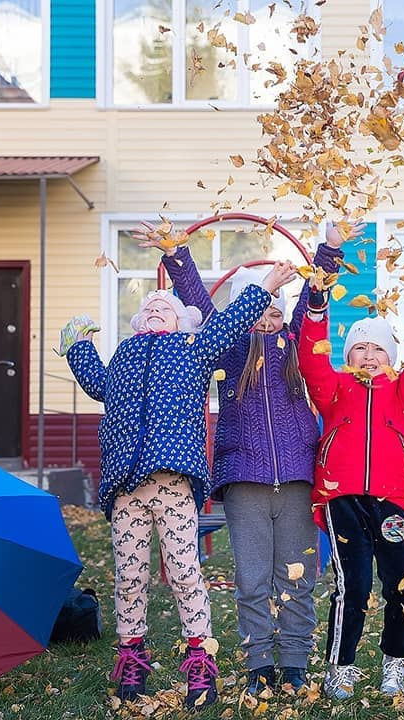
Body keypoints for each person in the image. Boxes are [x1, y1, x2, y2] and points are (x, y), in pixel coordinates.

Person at [59, 260, 298, 709]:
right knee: (129, 576)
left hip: (172, 483)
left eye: (164, 306)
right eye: (148, 305)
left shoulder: (194, 348)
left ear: (182, 321)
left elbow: (228, 324)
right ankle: (131, 656)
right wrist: (78, 345)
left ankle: (200, 661)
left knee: (185, 573)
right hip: (126, 486)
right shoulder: (125, 356)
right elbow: (97, 385)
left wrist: (264, 288)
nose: (154, 306)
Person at [143, 221, 363, 694]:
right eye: (261, 312)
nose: (269, 320)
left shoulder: (297, 346)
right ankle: (259, 661)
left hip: (299, 476)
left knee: (298, 575)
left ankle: (295, 659)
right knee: (253, 578)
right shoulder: (231, 345)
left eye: (275, 314)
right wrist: (176, 255)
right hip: (245, 478)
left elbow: (311, 300)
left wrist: (331, 248)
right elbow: (200, 302)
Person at [296, 273, 404, 699]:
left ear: (391, 356)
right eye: (360, 346)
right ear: (349, 355)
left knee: (401, 581)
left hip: (392, 503)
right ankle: (340, 667)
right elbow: (312, 359)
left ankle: (395, 661)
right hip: (342, 500)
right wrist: (317, 306)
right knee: (353, 585)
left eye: (379, 347)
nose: (369, 354)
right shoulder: (334, 388)